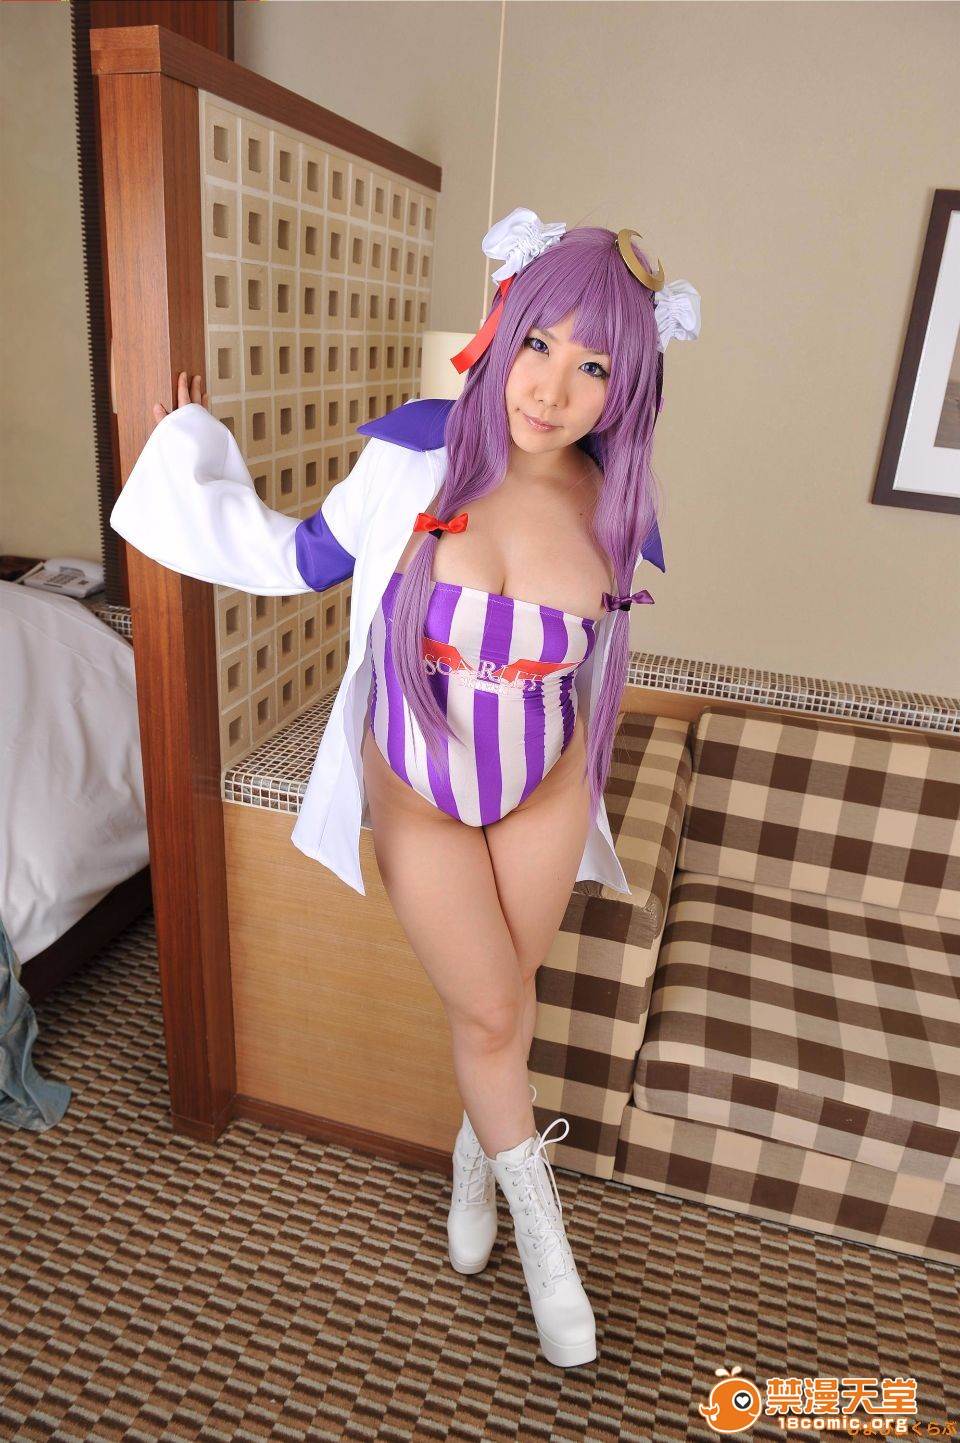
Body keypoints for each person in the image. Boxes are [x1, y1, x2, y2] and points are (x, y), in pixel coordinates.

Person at [111, 206, 700, 1369]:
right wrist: (187, 442)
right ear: (502, 329)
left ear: (627, 388)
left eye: (594, 368)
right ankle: (547, 1245)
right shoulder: (415, 455)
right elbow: (295, 558)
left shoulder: (615, 506)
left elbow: (592, 676)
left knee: (502, 1000)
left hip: (544, 786)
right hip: (417, 778)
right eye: (539, 344)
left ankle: (478, 1155)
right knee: (489, 1011)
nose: (552, 388)